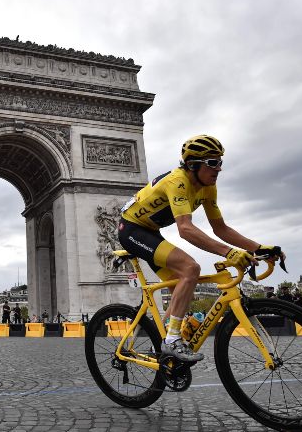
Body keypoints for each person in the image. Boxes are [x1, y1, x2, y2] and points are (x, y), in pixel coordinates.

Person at [117, 134, 285, 362]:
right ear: (192, 165)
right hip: (131, 229)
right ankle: (172, 341)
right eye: (212, 163)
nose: (219, 169)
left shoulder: (208, 187)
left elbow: (221, 229)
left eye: (220, 162)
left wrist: (259, 248)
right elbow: (185, 229)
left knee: (182, 283)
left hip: (151, 232)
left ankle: (164, 345)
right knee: (190, 268)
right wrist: (229, 252)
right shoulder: (177, 182)